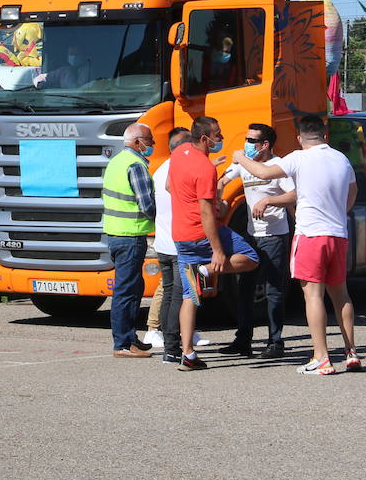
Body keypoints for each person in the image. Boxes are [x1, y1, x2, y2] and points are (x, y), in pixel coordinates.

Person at [234, 115, 358, 374]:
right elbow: (353, 191)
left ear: (300, 138)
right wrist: (339, 211)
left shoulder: (298, 158)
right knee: (341, 295)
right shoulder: (340, 159)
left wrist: (240, 157)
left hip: (311, 234)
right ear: (324, 135)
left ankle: (321, 357)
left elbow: (264, 172)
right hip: (338, 233)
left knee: (313, 295)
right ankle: (351, 352)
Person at [169, 116, 260, 371]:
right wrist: (218, 251)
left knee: (190, 296)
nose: (220, 138)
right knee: (251, 258)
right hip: (202, 233)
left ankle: (187, 353)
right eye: (217, 135)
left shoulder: (180, 154)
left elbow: (169, 186)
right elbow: (208, 213)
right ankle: (206, 270)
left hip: (181, 234)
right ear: (204, 138)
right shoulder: (205, 169)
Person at [218, 122, 294, 358]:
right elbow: (222, 181)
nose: (247, 144)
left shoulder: (277, 165)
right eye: (247, 139)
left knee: (273, 289)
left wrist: (269, 201)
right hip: (250, 236)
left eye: (252, 141)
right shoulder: (242, 163)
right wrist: (217, 200)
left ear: (265, 144)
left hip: (275, 235)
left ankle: (275, 342)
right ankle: (243, 340)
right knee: (245, 288)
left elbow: (294, 193)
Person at [102, 123, 157, 358]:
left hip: (116, 234)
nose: (152, 145)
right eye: (150, 141)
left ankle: (130, 338)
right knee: (127, 292)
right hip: (130, 236)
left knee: (130, 289)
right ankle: (124, 343)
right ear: (138, 142)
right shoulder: (136, 165)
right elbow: (147, 206)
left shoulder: (116, 161)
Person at [147, 128, 190, 362]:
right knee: (178, 297)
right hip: (178, 245)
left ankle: (170, 347)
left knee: (168, 295)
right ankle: (174, 347)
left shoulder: (161, 169)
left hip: (163, 244)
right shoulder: (179, 170)